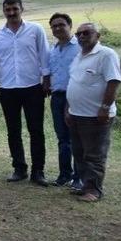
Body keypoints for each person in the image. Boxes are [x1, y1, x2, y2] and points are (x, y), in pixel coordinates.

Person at [0, 0, 50, 186]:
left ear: (22, 9)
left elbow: (44, 54)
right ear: (3, 11)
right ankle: (19, 168)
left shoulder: (35, 29)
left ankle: (38, 171)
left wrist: (46, 79)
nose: (11, 12)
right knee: (13, 131)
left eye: (15, 8)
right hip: (7, 89)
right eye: (7, 9)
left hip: (33, 87)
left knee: (36, 130)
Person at [65, 23, 121, 202]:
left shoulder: (106, 54)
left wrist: (105, 107)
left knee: (94, 155)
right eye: (79, 34)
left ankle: (94, 190)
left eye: (86, 33)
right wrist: (68, 109)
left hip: (96, 116)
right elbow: (74, 83)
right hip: (76, 114)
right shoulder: (78, 56)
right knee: (79, 153)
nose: (81, 36)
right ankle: (84, 185)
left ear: (97, 35)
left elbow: (114, 82)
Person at [47, 13, 81, 189]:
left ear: (70, 26)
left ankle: (79, 178)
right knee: (63, 138)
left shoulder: (80, 47)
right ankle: (64, 174)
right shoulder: (53, 50)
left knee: (77, 138)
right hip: (57, 97)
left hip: (75, 97)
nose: (58, 28)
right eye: (54, 26)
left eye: (61, 25)